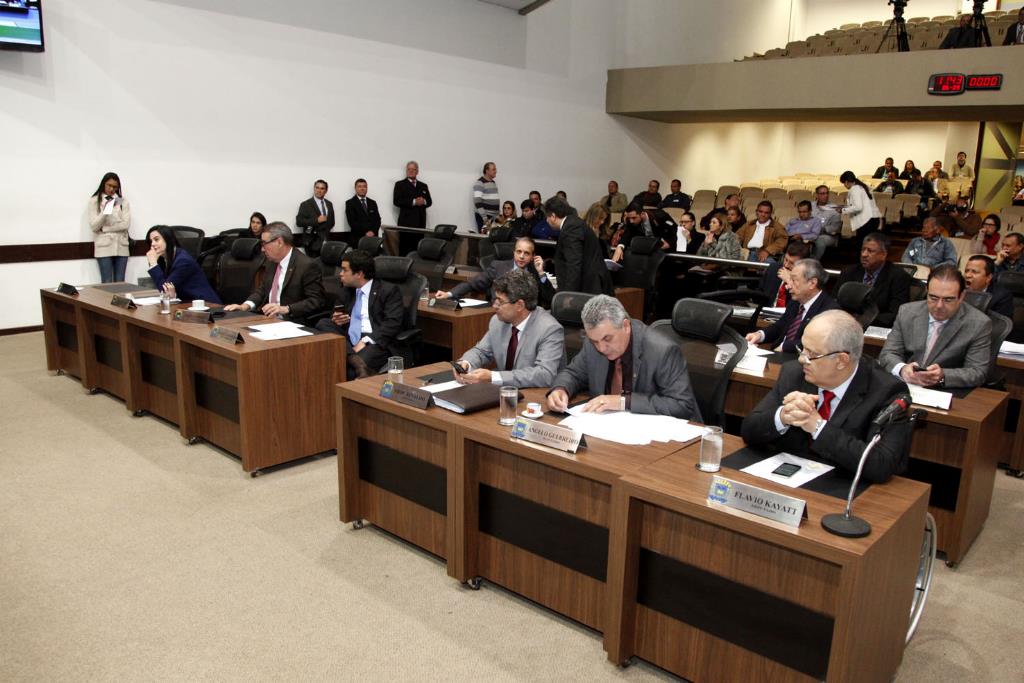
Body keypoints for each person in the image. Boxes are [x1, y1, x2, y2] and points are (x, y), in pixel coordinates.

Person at [741, 311, 912, 484]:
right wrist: (783, 416)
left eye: (811, 354)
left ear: (841, 360)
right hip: (790, 480)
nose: (802, 359)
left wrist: (818, 427)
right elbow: (749, 430)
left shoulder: (886, 391)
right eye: (802, 349)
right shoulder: (794, 374)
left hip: (844, 486)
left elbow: (881, 465)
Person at [545, 295, 701, 420]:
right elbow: (573, 373)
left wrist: (623, 401)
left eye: (607, 339)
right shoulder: (594, 342)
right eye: (595, 341)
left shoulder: (662, 351)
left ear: (625, 326)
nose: (601, 348)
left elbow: (682, 405)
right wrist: (561, 389)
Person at [879, 264, 991, 389]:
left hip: (946, 391)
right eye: (933, 298)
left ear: (961, 296)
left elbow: (977, 372)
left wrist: (943, 375)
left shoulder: (979, 324)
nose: (939, 306)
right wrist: (902, 369)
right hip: (906, 385)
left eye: (948, 300)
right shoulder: (907, 312)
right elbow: (888, 354)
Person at [453, 270, 565, 388]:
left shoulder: (549, 329)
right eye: (495, 299)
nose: (494, 306)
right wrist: (466, 363)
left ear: (520, 305)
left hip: (537, 394)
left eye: (500, 301)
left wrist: (493, 376)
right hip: (505, 392)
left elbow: (544, 375)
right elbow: (482, 352)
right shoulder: (498, 321)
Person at [315, 249, 404, 379]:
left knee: (348, 371)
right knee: (323, 323)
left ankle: (352, 359)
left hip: (374, 340)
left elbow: (392, 323)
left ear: (359, 274)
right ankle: (354, 359)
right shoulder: (346, 290)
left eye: (344, 270)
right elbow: (336, 315)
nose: (340, 274)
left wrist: (365, 340)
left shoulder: (388, 290)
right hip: (349, 338)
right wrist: (337, 320)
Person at [223, 222, 326, 321]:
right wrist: (245, 306)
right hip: (268, 320)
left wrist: (286, 309)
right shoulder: (271, 261)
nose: (262, 249)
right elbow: (262, 291)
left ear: (279, 242)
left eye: (264, 243)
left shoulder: (306, 265)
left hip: (292, 322)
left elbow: (316, 301)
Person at [745, 259, 837, 353]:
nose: (788, 286)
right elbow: (780, 326)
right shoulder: (796, 301)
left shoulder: (829, 311)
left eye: (793, 280)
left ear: (812, 283)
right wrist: (760, 335)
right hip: (778, 353)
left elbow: (816, 342)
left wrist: (784, 347)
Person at [435, 236, 555, 308]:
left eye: (526, 253)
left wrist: (541, 273)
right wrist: (449, 294)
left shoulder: (536, 273)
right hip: (499, 314)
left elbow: (549, 298)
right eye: (519, 252)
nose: (522, 256)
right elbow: (472, 283)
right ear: (513, 252)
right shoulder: (498, 267)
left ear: (533, 256)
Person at [835, 232, 912, 328]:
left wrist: (862, 320)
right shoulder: (849, 272)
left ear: (883, 255)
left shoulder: (898, 277)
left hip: (877, 327)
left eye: (870, 251)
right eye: (863, 250)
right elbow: (835, 303)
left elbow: (895, 314)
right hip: (845, 325)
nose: (864, 254)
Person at [545, 196, 613, 295]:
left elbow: (574, 264)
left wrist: (568, 294)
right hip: (589, 286)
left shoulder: (571, 228)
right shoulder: (574, 223)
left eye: (547, 217)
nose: (547, 221)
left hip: (589, 288)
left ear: (553, 216)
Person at [144, 225, 221, 305]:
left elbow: (164, 290)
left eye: (156, 239)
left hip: (206, 305)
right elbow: (167, 291)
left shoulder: (183, 261)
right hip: (187, 304)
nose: (152, 244)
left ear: (168, 239)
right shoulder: (164, 259)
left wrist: (153, 264)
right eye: (151, 241)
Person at [88, 171, 131, 283]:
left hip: (122, 245)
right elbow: (94, 226)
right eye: (109, 185)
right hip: (104, 246)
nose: (112, 189)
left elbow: (125, 224)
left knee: (120, 282)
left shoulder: (122, 201)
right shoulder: (95, 200)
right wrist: (105, 212)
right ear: (103, 184)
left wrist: (105, 229)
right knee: (106, 282)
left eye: (115, 187)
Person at [610, 204, 678, 261]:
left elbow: (674, 228)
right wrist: (620, 246)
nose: (631, 221)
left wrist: (669, 243)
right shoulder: (631, 220)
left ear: (642, 214)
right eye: (629, 218)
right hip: (646, 247)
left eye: (634, 218)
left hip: (663, 246)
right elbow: (627, 234)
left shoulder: (660, 215)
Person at [759, 242, 811, 308]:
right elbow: (760, 293)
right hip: (767, 311)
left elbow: (801, 305)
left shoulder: (807, 279)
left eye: (792, 263)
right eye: (786, 259)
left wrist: (790, 281)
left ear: (803, 264)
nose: (786, 265)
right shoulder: (773, 268)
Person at [295, 179, 335, 257]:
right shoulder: (305, 204)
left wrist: (325, 236)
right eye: (317, 188)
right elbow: (299, 222)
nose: (319, 190)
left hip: (326, 242)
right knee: (313, 264)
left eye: (322, 188)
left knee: (326, 264)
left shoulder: (329, 204)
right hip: (312, 243)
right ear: (314, 189)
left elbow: (332, 222)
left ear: (326, 191)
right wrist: (316, 220)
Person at [839, 170, 881, 239]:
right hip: (874, 219)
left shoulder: (855, 189)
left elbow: (858, 207)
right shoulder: (863, 187)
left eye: (843, 183)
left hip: (866, 221)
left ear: (846, 182)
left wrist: (843, 210)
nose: (844, 185)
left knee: (862, 243)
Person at [393, 160, 432, 229]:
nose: (411, 171)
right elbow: (396, 201)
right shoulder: (399, 184)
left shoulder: (423, 185)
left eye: (413, 169)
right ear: (406, 171)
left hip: (421, 223)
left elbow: (429, 202)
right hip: (405, 223)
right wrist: (414, 201)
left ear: (417, 171)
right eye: (409, 169)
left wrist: (423, 201)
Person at [810, 185, 842, 258]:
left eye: (827, 193)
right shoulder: (811, 206)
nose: (826, 196)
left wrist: (822, 229)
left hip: (828, 236)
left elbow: (835, 227)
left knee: (820, 240)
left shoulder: (834, 209)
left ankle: (814, 261)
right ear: (817, 195)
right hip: (811, 233)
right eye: (822, 194)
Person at [473, 162, 499, 231]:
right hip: (485, 217)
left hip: (493, 217)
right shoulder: (480, 183)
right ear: (487, 171)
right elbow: (477, 202)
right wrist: (484, 217)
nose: (496, 171)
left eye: (495, 169)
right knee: (484, 236)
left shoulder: (493, 183)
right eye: (493, 169)